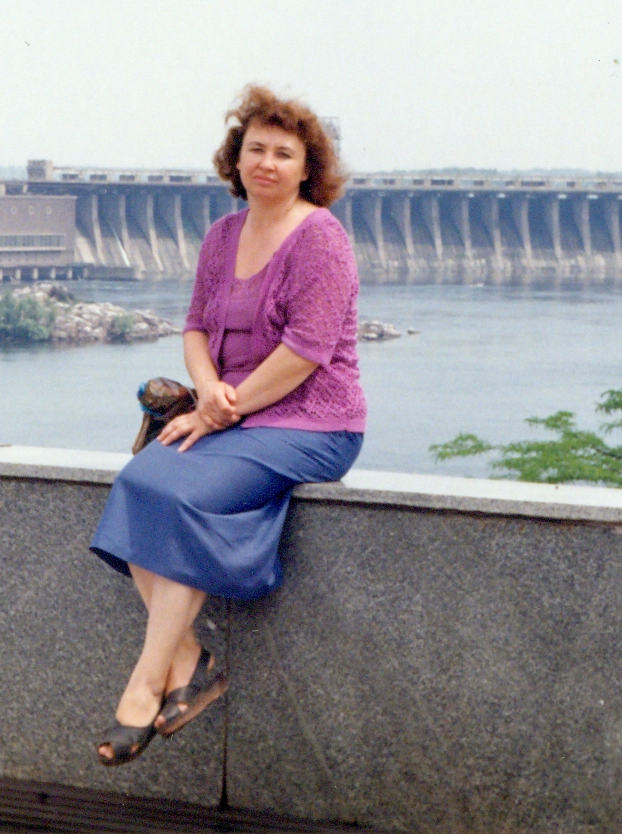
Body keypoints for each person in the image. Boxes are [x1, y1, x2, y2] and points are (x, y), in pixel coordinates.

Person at [88, 85, 364, 766]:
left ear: (307, 168)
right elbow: (195, 328)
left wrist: (220, 409)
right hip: (231, 416)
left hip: (312, 422)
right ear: (235, 161)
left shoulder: (321, 238)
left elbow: (305, 354)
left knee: (184, 497)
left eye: (284, 153)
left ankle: (146, 682)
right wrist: (208, 389)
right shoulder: (221, 236)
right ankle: (191, 660)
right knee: (141, 482)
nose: (267, 163)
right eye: (255, 150)